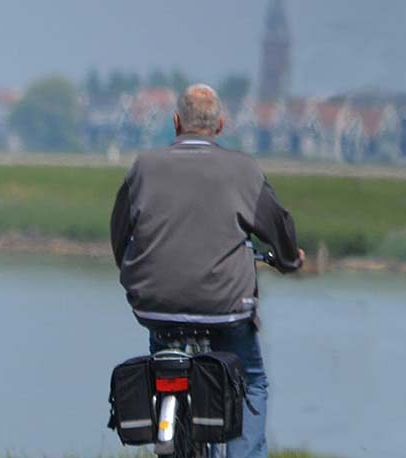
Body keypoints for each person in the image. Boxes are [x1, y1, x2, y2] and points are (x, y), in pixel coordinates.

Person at [108, 84, 303, 458]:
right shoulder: (243, 170)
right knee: (251, 381)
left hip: (155, 307)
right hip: (225, 310)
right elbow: (278, 227)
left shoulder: (144, 167)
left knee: (163, 356)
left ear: (176, 122)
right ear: (221, 125)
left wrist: (132, 270)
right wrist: (290, 259)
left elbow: (120, 234)